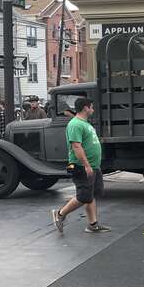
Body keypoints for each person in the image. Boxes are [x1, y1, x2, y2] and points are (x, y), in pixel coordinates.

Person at [51, 97, 110, 234]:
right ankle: (60, 214)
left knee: (91, 194)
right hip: (80, 166)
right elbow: (76, 146)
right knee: (84, 196)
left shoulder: (85, 124)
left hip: (92, 166)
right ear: (85, 108)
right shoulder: (75, 124)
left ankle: (93, 225)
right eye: (92, 107)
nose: (93, 109)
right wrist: (86, 165)